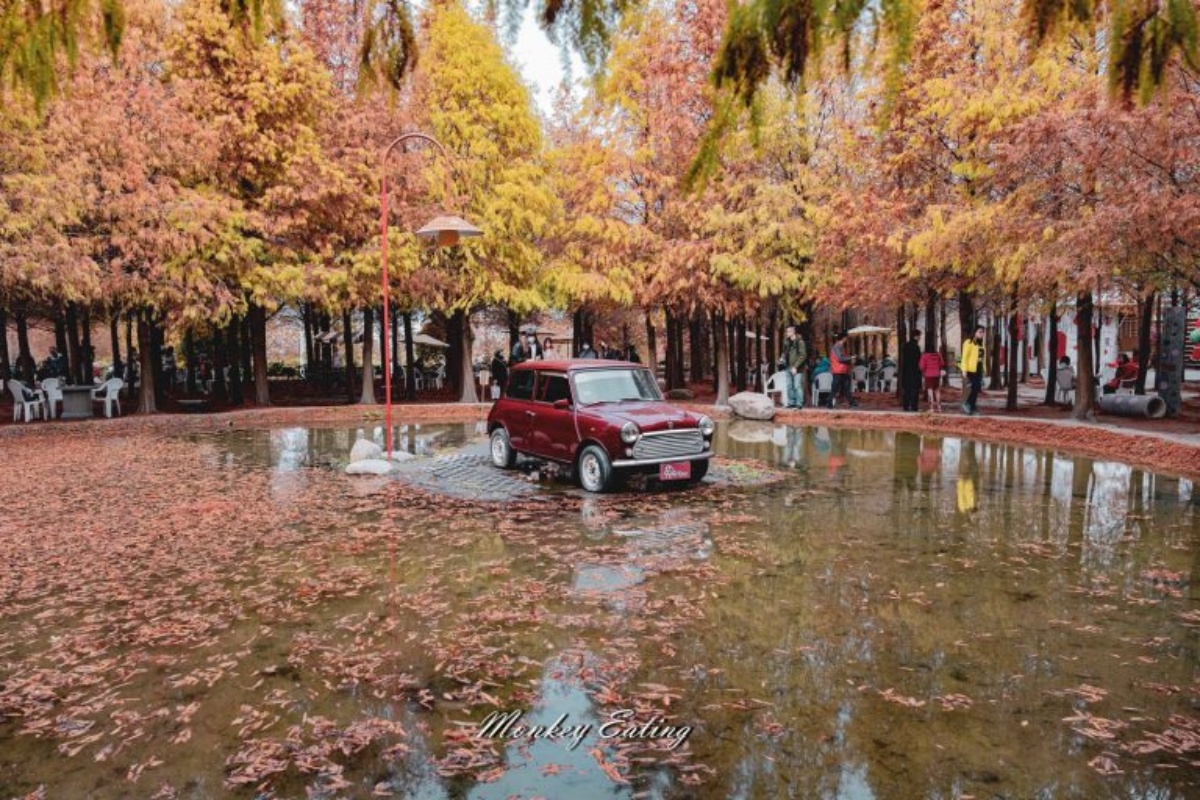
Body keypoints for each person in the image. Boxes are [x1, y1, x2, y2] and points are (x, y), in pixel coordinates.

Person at [959, 325, 985, 415]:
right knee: (975, 387)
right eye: (980, 332)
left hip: (979, 368)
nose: (982, 334)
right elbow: (964, 357)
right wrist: (964, 370)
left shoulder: (980, 344)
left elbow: (982, 359)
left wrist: (984, 370)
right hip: (971, 369)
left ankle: (972, 408)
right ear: (975, 332)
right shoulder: (968, 342)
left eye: (982, 332)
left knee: (977, 388)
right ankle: (968, 404)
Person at [780, 324, 807, 409]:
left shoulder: (800, 342)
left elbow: (803, 355)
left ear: (793, 332)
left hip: (797, 368)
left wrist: (795, 366)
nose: (786, 333)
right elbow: (784, 353)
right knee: (789, 385)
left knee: (797, 385)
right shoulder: (786, 341)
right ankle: (791, 403)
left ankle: (799, 404)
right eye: (786, 331)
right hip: (788, 366)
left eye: (788, 331)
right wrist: (782, 358)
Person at [830, 332, 856, 408]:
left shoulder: (840, 347)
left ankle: (852, 403)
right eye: (846, 338)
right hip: (838, 370)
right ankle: (829, 402)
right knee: (836, 388)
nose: (847, 340)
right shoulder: (837, 347)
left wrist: (849, 359)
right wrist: (850, 358)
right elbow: (840, 358)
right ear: (843, 338)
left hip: (842, 370)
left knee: (845, 388)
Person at [900, 330, 923, 411]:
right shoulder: (916, 347)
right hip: (915, 371)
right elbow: (918, 359)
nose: (920, 338)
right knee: (915, 389)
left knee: (907, 389)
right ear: (915, 336)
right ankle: (914, 406)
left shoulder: (905, 345)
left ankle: (905, 406)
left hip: (906, 370)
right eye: (919, 336)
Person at [918, 344, 945, 413]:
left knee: (930, 391)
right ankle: (939, 408)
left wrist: (924, 371)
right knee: (937, 391)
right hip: (937, 375)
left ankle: (931, 408)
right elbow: (942, 364)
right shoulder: (938, 355)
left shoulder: (924, 356)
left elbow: (921, 367)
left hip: (928, 375)